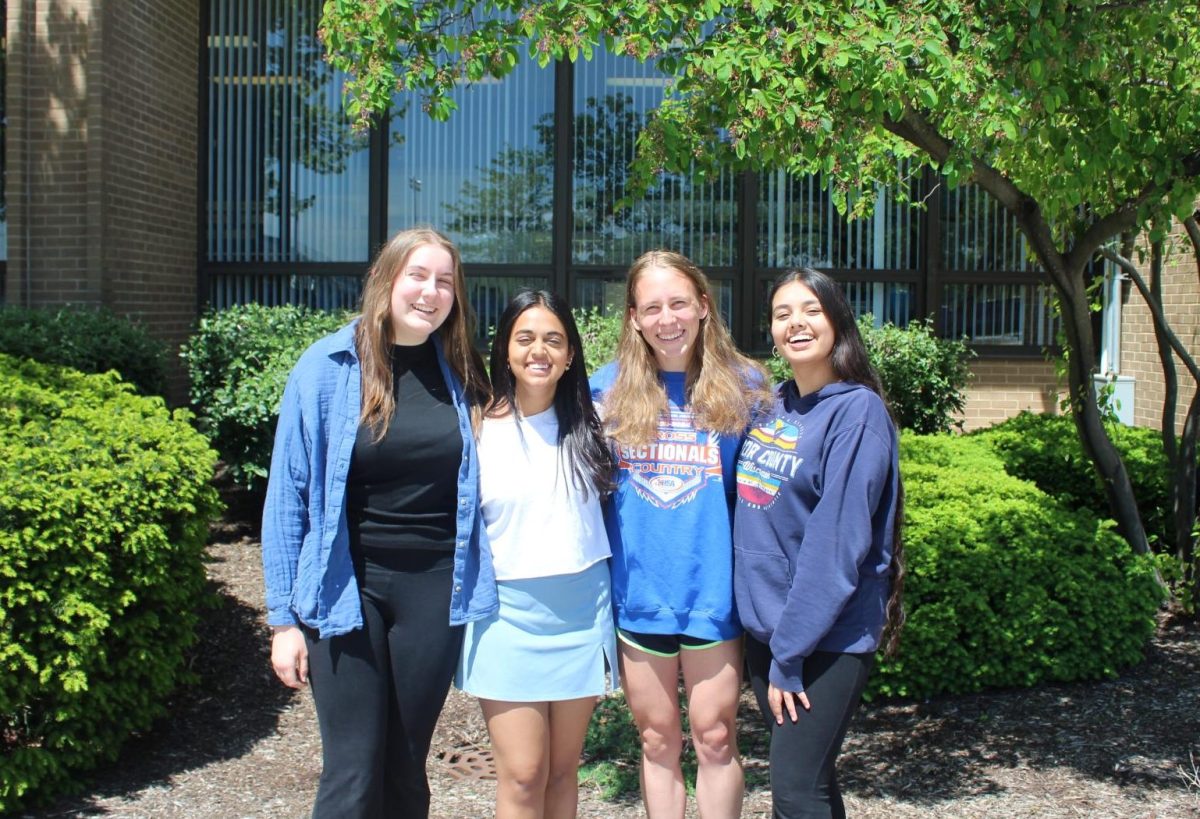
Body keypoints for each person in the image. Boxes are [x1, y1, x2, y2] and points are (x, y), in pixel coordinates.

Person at [261, 227, 496, 818]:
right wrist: (283, 620)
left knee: (406, 765)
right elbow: (288, 495)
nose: (430, 291)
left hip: (434, 588)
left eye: (444, 281)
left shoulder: (463, 370)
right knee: (353, 768)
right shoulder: (327, 366)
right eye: (417, 275)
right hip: (348, 584)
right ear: (386, 281)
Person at [590, 250, 768, 818]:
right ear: (634, 318)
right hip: (639, 595)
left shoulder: (746, 386)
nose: (667, 319)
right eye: (652, 307)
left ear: (703, 307)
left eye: (678, 304)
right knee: (657, 740)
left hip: (713, 593)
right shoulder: (603, 391)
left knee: (715, 737)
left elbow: (769, 494)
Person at [733, 268, 905, 819]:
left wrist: (790, 653)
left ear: (837, 321)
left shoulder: (857, 412)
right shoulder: (772, 405)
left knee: (794, 792)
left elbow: (837, 544)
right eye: (782, 314)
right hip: (769, 632)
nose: (796, 324)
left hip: (823, 639)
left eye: (810, 310)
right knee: (815, 782)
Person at [456, 289, 618, 819]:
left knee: (562, 770)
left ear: (571, 354)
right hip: (506, 615)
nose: (539, 350)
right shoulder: (475, 428)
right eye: (524, 338)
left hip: (581, 609)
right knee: (524, 773)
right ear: (504, 349)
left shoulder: (597, 422)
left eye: (553, 339)